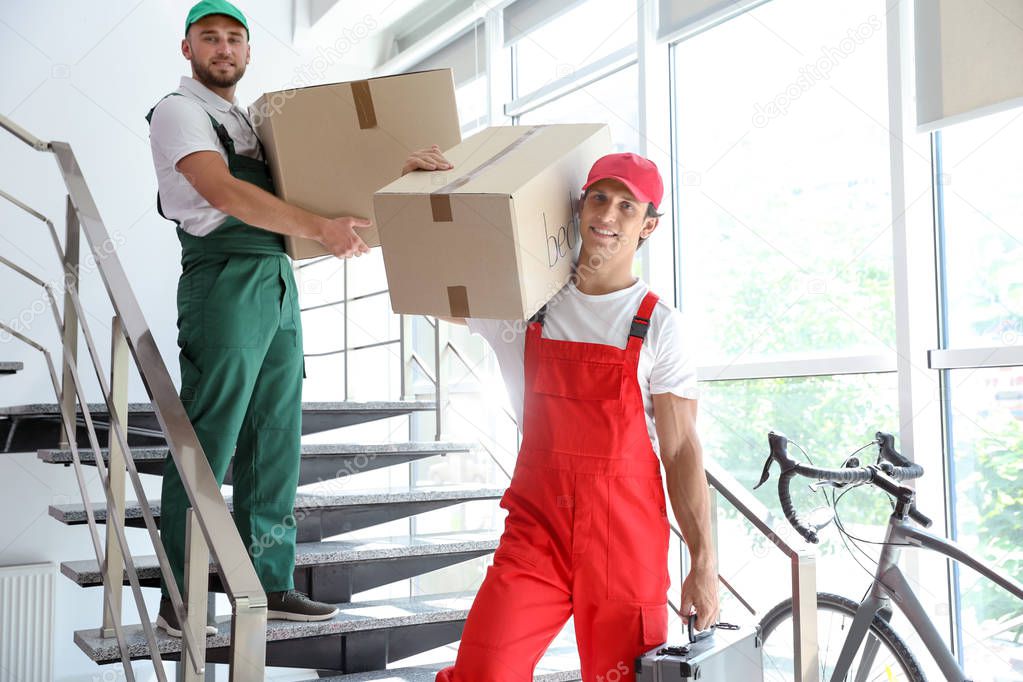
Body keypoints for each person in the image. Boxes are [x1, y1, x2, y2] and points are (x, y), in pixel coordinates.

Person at [401, 148, 720, 681]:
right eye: (599, 198)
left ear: (649, 226)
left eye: (627, 206)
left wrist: (704, 563)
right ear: (579, 205)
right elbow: (424, 284)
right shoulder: (528, 302)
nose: (608, 216)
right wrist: (416, 196)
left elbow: (682, 448)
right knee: (485, 671)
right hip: (537, 530)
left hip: (625, 541)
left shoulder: (659, 326)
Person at [145, 0, 372, 636]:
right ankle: (179, 598)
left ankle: (269, 580)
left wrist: (406, 167)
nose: (223, 48)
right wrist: (319, 228)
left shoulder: (251, 120)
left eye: (234, 39)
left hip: (275, 276)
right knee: (211, 437)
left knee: (276, 433)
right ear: (188, 49)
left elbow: (328, 180)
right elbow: (223, 192)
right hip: (224, 277)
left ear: (248, 53)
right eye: (209, 38)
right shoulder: (179, 110)